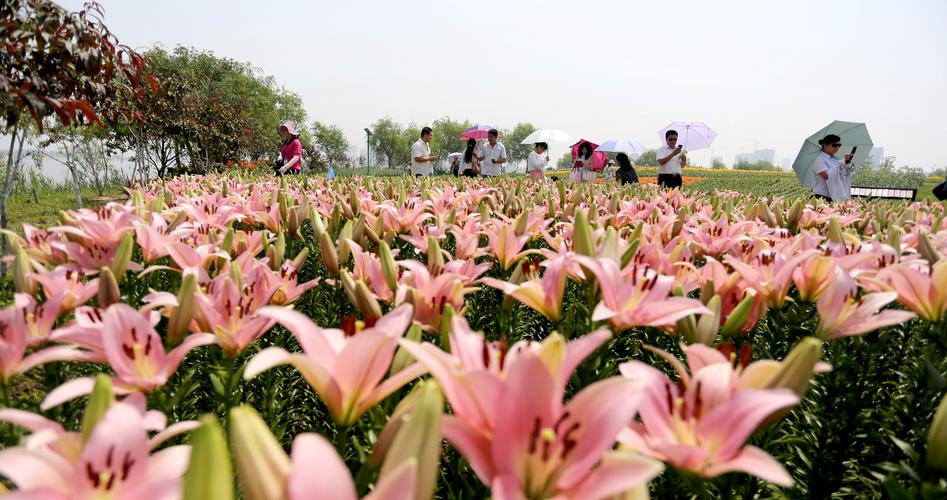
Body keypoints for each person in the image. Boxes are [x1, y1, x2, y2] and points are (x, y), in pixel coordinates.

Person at [810, 134, 855, 201]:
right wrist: (842, 164)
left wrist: (846, 163)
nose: (837, 148)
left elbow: (842, 175)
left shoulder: (836, 159)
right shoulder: (819, 160)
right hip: (821, 196)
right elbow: (826, 176)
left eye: (839, 145)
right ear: (825, 145)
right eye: (834, 145)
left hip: (833, 196)